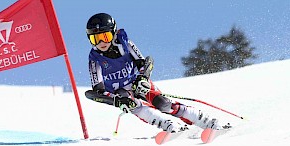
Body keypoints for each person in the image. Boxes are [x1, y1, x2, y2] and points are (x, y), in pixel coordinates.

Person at [85, 12, 226, 134]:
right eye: (95, 39)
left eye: (105, 36)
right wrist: (115, 100)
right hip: (120, 92)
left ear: (113, 32)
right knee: (132, 103)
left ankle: (207, 121)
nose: (101, 42)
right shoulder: (95, 59)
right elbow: (96, 92)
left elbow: (146, 62)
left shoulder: (125, 44)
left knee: (163, 103)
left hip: (136, 83)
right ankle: (168, 125)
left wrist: (143, 78)